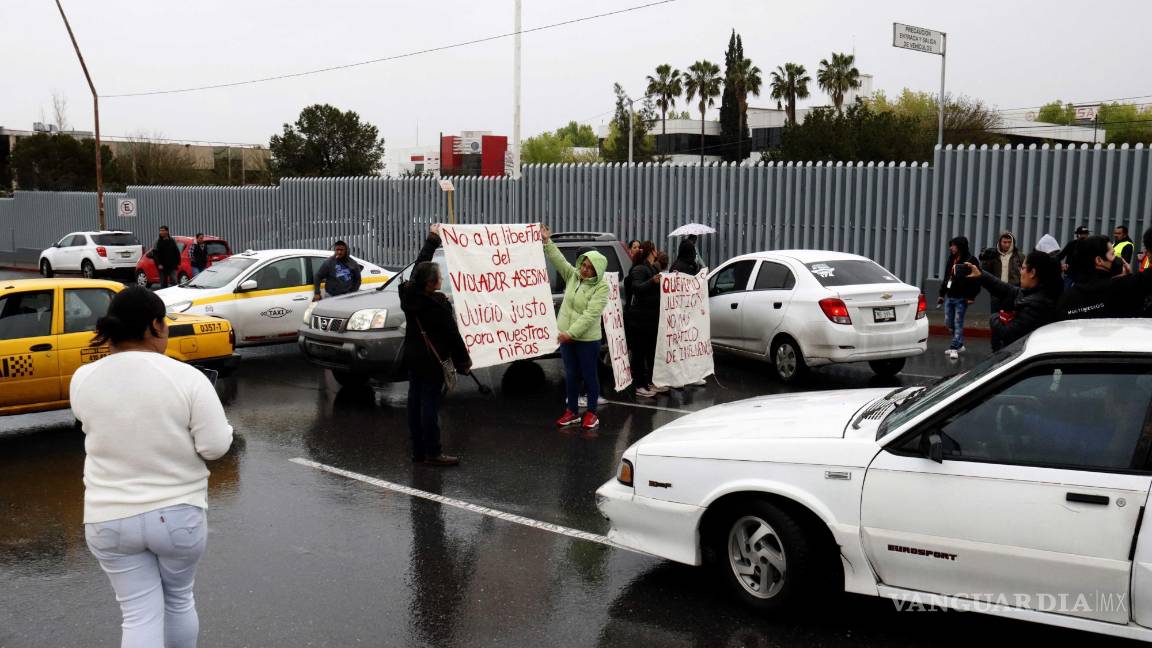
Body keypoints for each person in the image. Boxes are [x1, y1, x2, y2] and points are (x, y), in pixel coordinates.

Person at [70, 286, 233, 647]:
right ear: (155, 326)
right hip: (177, 516)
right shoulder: (186, 377)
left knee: (138, 615)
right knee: (178, 600)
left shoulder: (83, 378)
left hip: (108, 517)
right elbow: (215, 447)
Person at [399, 225, 471, 466]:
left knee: (414, 403)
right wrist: (464, 362)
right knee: (428, 406)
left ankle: (418, 451)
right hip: (432, 361)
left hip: (413, 358)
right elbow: (452, 335)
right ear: (431, 284)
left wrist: (432, 240)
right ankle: (434, 452)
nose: (442, 279)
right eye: (439, 277)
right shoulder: (438, 305)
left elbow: (418, 268)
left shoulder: (409, 295)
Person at [542, 225, 609, 430]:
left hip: (587, 340)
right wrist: (547, 241)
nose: (585, 270)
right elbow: (559, 260)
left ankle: (591, 413)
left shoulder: (602, 287)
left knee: (589, 375)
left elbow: (590, 315)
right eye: (583, 265)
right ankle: (572, 411)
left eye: (590, 268)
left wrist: (570, 334)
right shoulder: (573, 276)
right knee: (570, 375)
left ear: (597, 270)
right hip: (566, 337)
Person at [965, 251, 1063, 351]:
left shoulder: (1037, 305)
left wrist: (996, 317)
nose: (1021, 272)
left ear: (1032, 273)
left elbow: (1006, 333)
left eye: (1023, 268)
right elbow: (1006, 289)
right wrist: (981, 275)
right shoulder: (1032, 293)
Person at [1058, 235, 1152, 320]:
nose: (1118, 259)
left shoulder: (1067, 298)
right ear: (1099, 260)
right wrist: (1128, 277)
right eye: (1112, 254)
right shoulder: (1122, 287)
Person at [625, 241, 662, 398]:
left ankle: (647, 382)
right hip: (640, 320)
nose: (658, 251)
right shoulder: (640, 268)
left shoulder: (653, 268)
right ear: (651, 251)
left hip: (650, 320)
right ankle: (639, 385)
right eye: (655, 249)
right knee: (639, 353)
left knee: (649, 352)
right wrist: (652, 281)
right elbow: (637, 288)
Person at [937, 236, 980, 360]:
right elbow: (947, 278)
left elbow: (976, 280)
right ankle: (960, 344)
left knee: (958, 322)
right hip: (950, 296)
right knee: (948, 322)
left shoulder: (971, 260)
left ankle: (954, 347)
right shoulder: (952, 259)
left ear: (960, 246)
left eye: (953, 245)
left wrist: (971, 296)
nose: (951, 248)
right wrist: (941, 294)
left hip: (962, 298)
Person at [978, 231, 1023, 313]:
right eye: (1004, 242)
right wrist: (986, 259)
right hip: (996, 291)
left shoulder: (1019, 256)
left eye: (1009, 242)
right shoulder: (994, 255)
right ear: (1000, 242)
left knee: (1010, 318)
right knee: (995, 317)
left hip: (1012, 292)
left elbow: (1024, 273)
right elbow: (984, 271)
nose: (1007, 245)